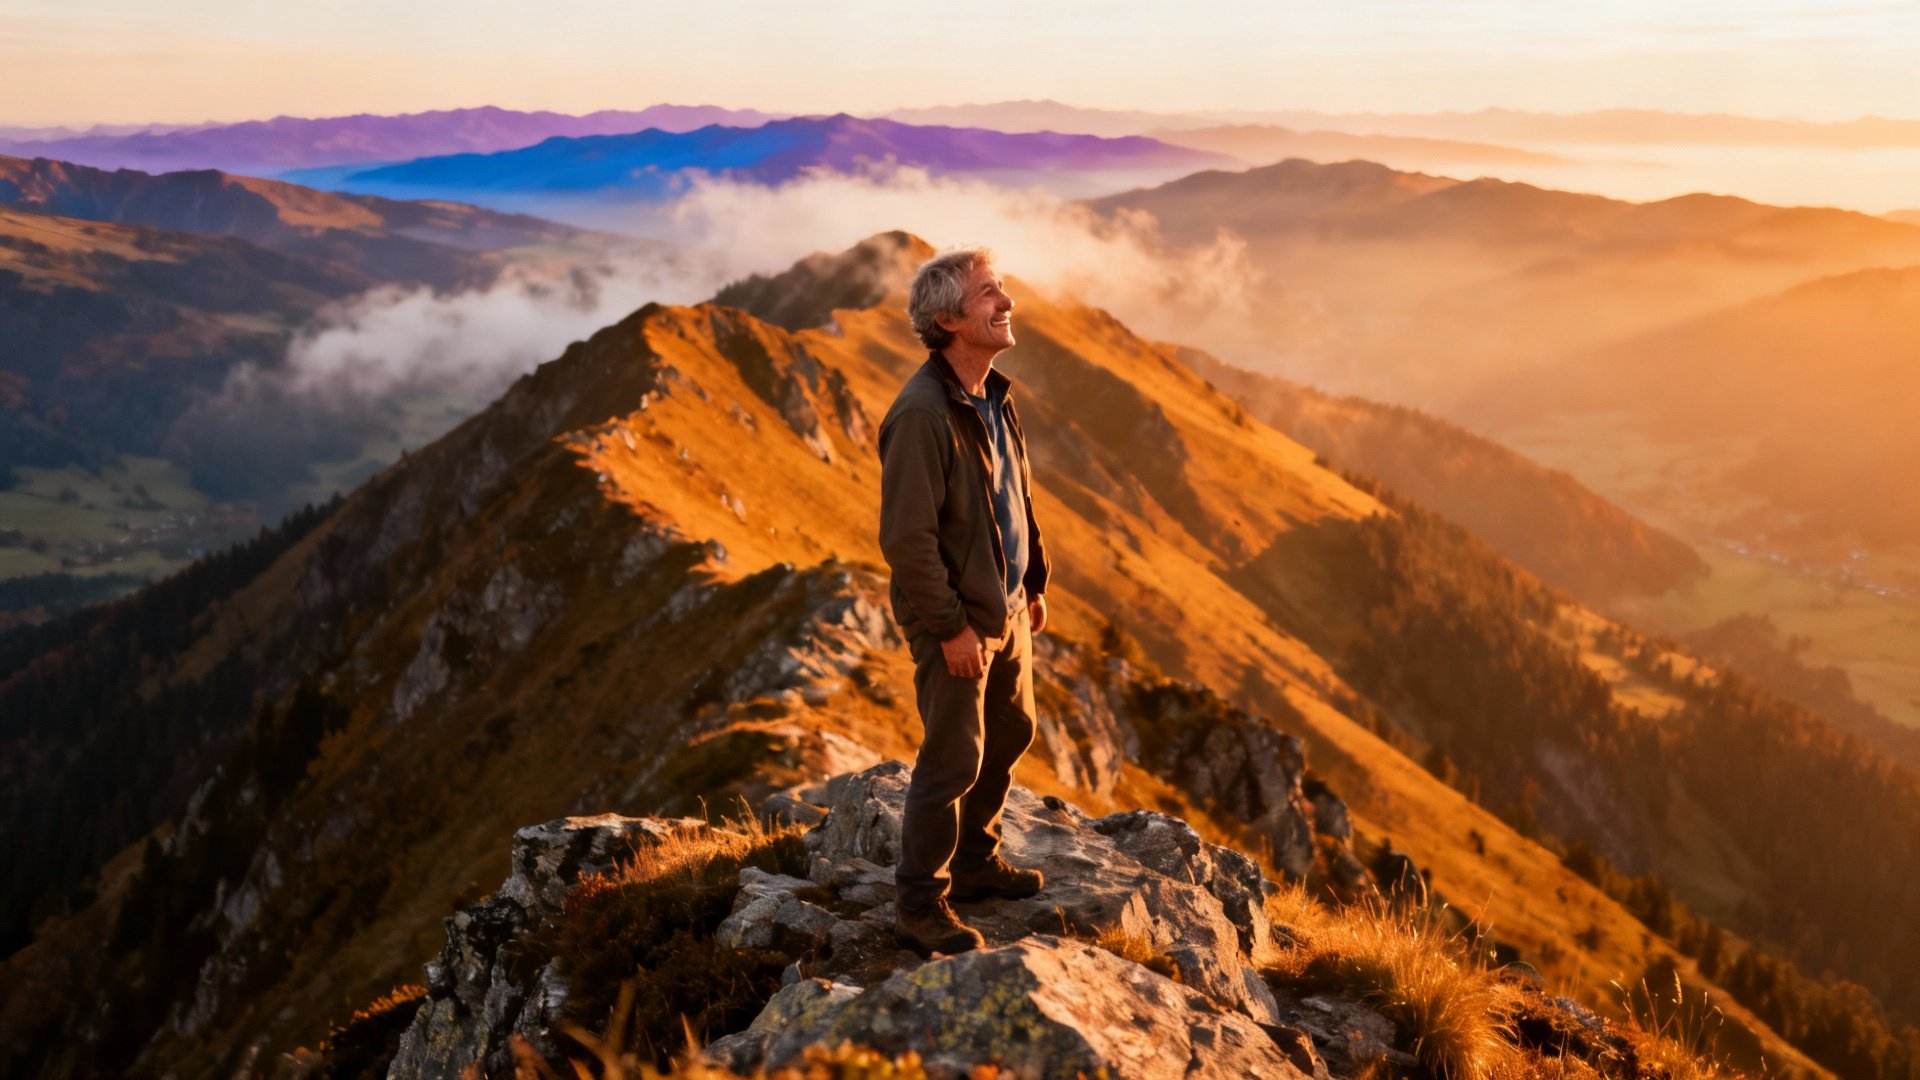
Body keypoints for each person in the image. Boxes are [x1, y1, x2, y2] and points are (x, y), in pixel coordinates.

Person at [877, 246, 1051, 957]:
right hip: (959, 621)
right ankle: (921, 904)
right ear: (949, 318)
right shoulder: (922, 415)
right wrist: (950, 629)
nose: (1005, 301)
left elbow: (1016, 493)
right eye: (988, 293)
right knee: (952, 760)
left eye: (1001, 287)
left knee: (1011, 733)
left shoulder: (991, 395)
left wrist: (1032, 581)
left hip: (1005, 607)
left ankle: (975, 863)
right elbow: (907, 540)